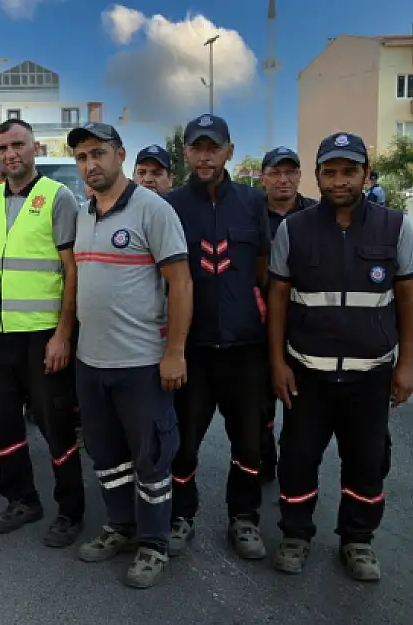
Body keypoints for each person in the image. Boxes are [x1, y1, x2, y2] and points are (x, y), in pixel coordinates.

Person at [267, 132, 413, 582]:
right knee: (296, 459)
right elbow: (277, 299)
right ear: (316, 178)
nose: (339, 180)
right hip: (306, 375)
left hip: (370, 377)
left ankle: (357, 541)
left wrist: (406, 364)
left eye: (349, 171)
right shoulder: (292, 230)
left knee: (367, 463)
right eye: (329, 172)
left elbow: (409, 297)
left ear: (365, 175)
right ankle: (295, 535)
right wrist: (277, 363)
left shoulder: (395, 226)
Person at [68, 122, 192, 589]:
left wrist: (175, 351)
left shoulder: (152, 210)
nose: (90, 164)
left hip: (141, 363)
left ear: (119, 155)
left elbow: (181, 283)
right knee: (106, 454)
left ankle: (154, 543)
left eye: (98, 153)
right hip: (91, 362)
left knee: (152, 457)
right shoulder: (84, 214)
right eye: (81, 157)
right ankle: (120, 527)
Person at [0, 119, 85, 547]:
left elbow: (72, 271)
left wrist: (63, 334)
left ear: (34, 147)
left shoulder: (58, 197)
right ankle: (22, 499)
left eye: (18, 145)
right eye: (2, 149)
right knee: (1, 425)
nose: (10, 154)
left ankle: (70, 511)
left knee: (56, 425)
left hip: (42, 335)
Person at [163, 114, 272, 561]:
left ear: (229, 150)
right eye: (196, 148)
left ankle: (243, 518)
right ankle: (181, 515)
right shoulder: (168, 206)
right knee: (183, 443)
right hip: (192, 351)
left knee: (249, 444)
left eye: (214, 147)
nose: (205, 156)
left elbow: (263, 272)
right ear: (185, 154)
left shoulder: (252, 202)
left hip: (246, 351)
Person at [257, 147, 318, 482]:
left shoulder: (315, 214)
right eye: (276, 173)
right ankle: (265, 455)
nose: (284, 179)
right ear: (263, 177)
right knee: (261, 403)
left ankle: (295, 460)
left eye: (290, 172)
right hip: (259, 323)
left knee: (299, 402)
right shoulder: (251, 214)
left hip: (303, 326)